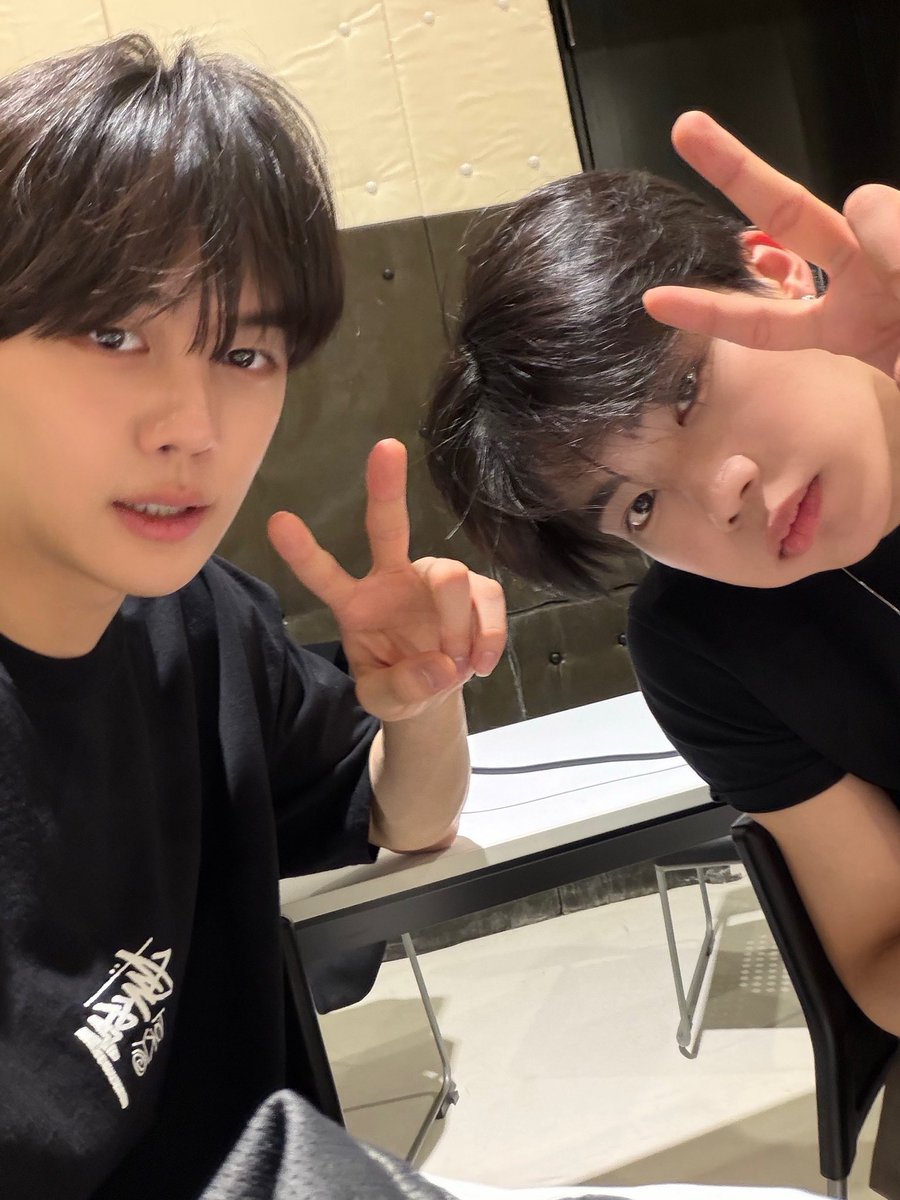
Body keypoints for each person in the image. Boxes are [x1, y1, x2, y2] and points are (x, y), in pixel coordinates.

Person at [0, 33, 507, 1200]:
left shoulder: (206, 624)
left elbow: (405, 818)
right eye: (114, 335)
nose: (192, 425)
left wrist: (422, 700)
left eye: (242, 350)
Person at [422, 111, 900, 1198]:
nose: (721, 493)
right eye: (638, 505)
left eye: (686, 390)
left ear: (775, 274)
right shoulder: (703, 641)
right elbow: (878, 948)